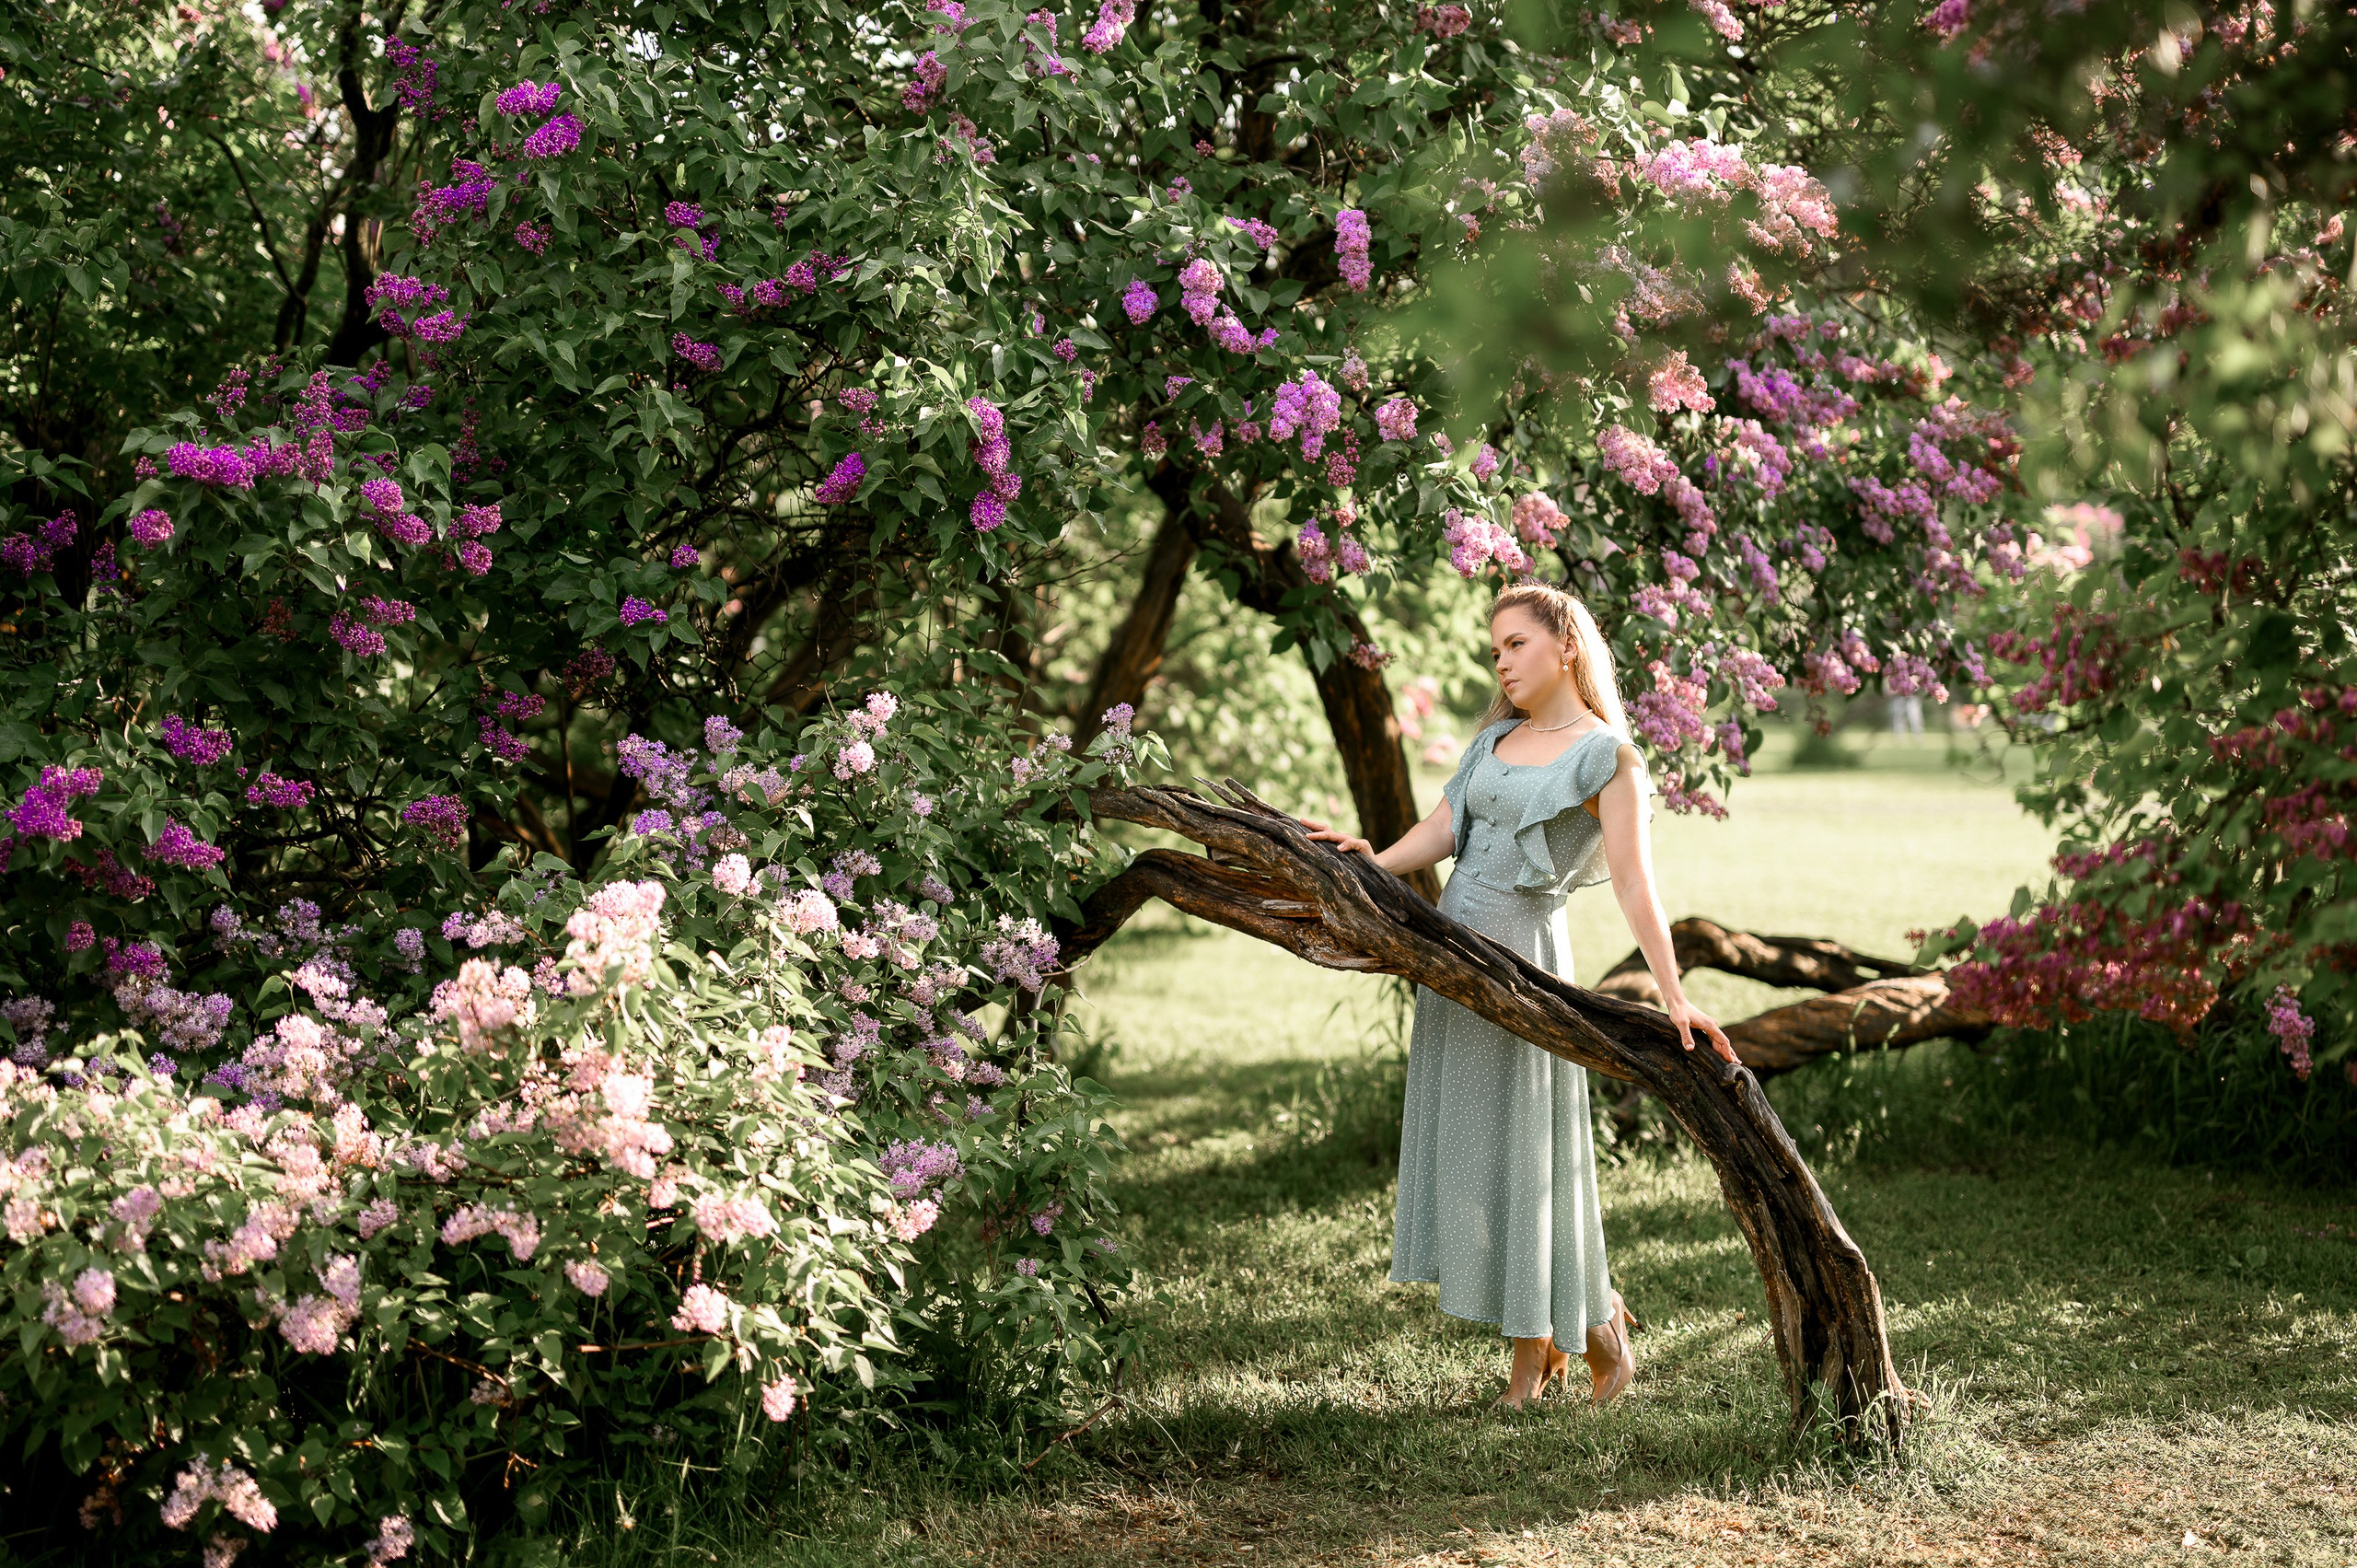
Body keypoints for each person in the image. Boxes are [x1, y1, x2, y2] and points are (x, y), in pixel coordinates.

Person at [1299, 582, 1736, 1409]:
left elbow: (1635, 883)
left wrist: (1674, 995)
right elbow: (1444, 830)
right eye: (1494, 648)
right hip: (1452, 957)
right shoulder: (1494, 739)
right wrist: (1372, 858)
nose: (1501, 661)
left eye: (1516, 643)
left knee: (1528, 1155)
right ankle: (1568, 1334)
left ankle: (1568, 1348)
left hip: (1526, 964)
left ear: (1566, 645)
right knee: (1477, 1154)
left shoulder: (1606, 757)